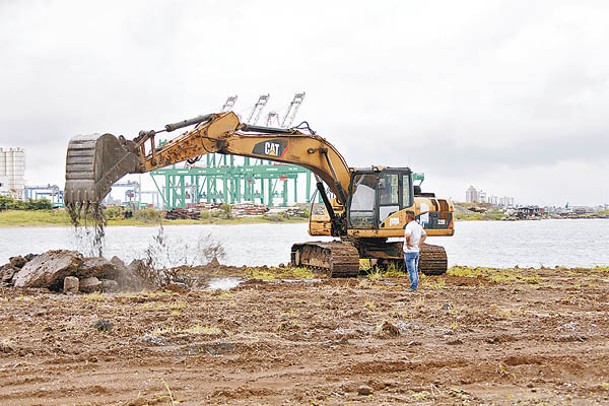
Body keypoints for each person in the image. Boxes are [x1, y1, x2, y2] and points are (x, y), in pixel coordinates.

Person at [404, 211, 426, 292]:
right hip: (416, 250)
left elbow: (407, 235)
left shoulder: (409, 226)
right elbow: (424, 235)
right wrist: (419, 244)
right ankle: (415, 285)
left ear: (408, 217)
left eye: (405, 217)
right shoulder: (418, 225)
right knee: (415, 269)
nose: (405, 218)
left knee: (411, 270)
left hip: (409, 252)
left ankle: (413, 287)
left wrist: (408, 243)